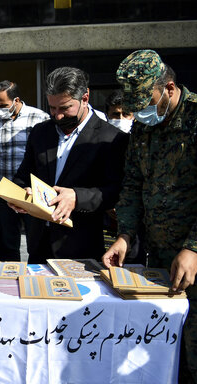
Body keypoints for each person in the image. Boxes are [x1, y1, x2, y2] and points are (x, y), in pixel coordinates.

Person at [103, 50, 197, 384]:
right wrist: (125, 235)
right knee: (164, 357)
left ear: (169, 87)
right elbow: (132, 184)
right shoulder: (145, 125)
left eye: (146, 102)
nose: (140, 112)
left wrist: (195, 248)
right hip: (158, 261)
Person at [9, 66, 128, 263]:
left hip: (81, 247)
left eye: (65, 108)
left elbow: (116, 191)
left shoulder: (112, 138)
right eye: (52, 108)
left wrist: (77, 197)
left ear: (85, 98)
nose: (57, 116)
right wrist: (21, 193)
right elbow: (23, 174)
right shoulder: (40, 132)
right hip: (39, 245)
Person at [0, 80, 50, 261]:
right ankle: (11, 275)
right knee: (8, 241)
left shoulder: (40, 118)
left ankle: (35, 278)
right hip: (4, 193)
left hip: (30, 192)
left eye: (4, 105)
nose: (0, 109)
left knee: (36, 241)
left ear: (16, 100)